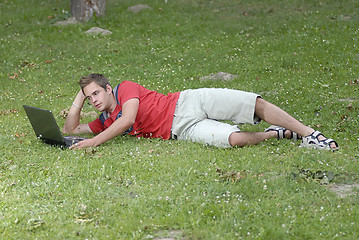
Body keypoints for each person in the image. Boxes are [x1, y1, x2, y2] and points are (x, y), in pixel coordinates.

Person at [63, 73, 338, 151]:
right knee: (235, 140)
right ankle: (275, 134)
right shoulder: (104, 121)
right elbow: (71, 131)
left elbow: (129, 120)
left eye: (96, 93)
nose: (94, 100)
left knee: (254, 104)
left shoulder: (126, 89)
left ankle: (311, 135)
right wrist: (80, 94)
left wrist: (95, 142)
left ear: (108, 88)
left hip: (189, 103)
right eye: (90, 98)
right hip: (181, 131)